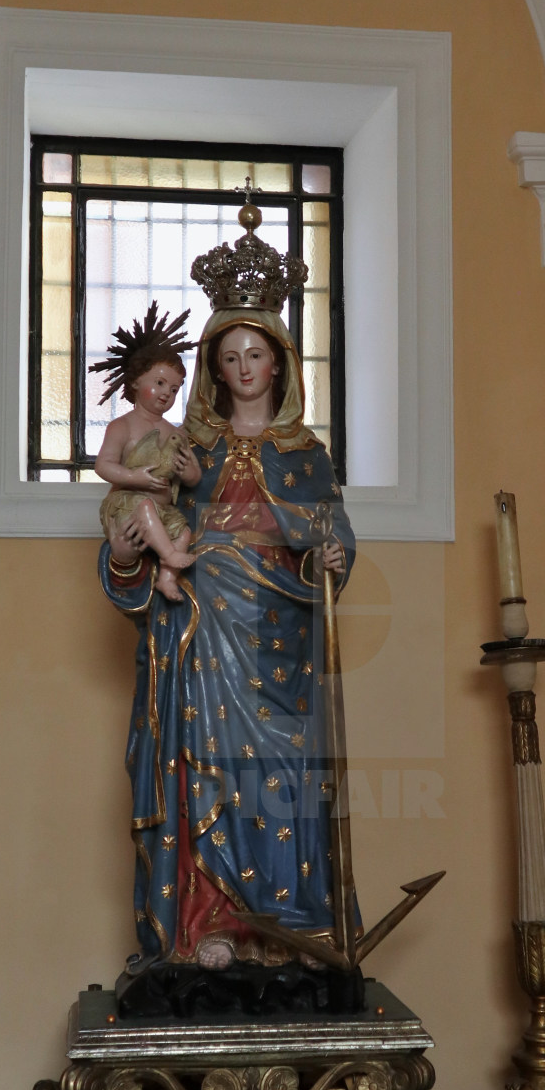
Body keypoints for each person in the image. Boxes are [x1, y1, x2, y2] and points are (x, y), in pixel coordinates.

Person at [100, 200, 356, 972]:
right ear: (216, 367)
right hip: (201, 630)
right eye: (230, 357)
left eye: (256, 355)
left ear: (279, 362)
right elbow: (146, 528)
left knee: (282, 782)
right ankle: (205, 928)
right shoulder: (189, 448)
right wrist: (124, 552)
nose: (244, 369)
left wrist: (331, 554)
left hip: (282, 645)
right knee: (205, 772)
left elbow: (332, 530)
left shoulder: (304, 452)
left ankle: (292, 927)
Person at [92, 303, 200, 603]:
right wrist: (134, 477)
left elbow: (191, 479)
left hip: (162, 511)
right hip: (128, 504)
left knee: (185, 533)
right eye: (160, 383)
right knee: (145, 510)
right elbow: (104, 465)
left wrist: (189, 469)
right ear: (137, 381)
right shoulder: (122, 426)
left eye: (176, 389)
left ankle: (167, 578)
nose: (168, 393)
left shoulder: (175, 432)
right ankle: (169, 556)